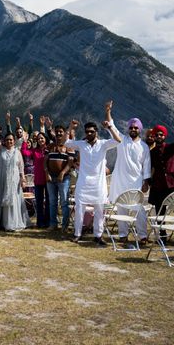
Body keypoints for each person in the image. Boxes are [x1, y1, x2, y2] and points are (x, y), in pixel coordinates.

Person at [66, 118, 120, 246]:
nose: (89, 134)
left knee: (100, 211)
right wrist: (71, 128)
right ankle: (77, 234)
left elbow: (118, 140)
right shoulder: (81, 144)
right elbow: (66, 143)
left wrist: (109, 127)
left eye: (91, 131)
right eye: (87, 132)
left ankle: (98, 236)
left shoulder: (103, 144)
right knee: (79, 209)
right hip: (83, 184)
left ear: (96, 132)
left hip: (99, 185)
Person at [105, 101, 151, 245]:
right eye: (131, 127)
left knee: (140, 212)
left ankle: (142, 236)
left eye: (135, 127)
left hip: (136, 183)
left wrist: (146, 182)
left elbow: (147, 166)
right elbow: (111, 126)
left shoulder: (144, 147)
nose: (133, 129)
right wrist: (107, 111)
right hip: (120, 182)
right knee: (122, 210)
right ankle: (123, 235)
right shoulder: (122, 141)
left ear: (140, 130)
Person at [0, 118, 30, 232]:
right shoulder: (1, 149)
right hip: (2, 178)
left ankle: (12, 222)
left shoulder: (17, 151)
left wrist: (23, 179)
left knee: (14, 199)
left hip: (14, 179)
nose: (9, 142)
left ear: (14, 141)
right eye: (7, 140)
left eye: (11, 140)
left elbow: (21, 167)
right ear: (4, 141)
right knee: (1, 198)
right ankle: (0, 222)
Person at [146, 121, 174, 218]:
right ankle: (162, 233)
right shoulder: (151, 152)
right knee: (160, 211)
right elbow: (148, 167)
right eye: (156, 135)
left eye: (161, 134)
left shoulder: (171, 148)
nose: (159, 136)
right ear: (154, 137)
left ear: (164, 136)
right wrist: (149, 181)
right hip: (158, 185)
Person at [45, 125, 74, 232]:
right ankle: (53, 224)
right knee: (52, 202)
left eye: (61, 132)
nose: (59, 134)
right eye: (57, 132)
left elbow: (70, 162)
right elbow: (45, 161)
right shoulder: (50, 146)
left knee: (64, 202)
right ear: (54, 133)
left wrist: (62, 172)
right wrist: (46, 173)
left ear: (64, 133)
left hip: (64, 178)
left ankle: (65, 225)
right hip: (51, 178)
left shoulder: (68, 147)